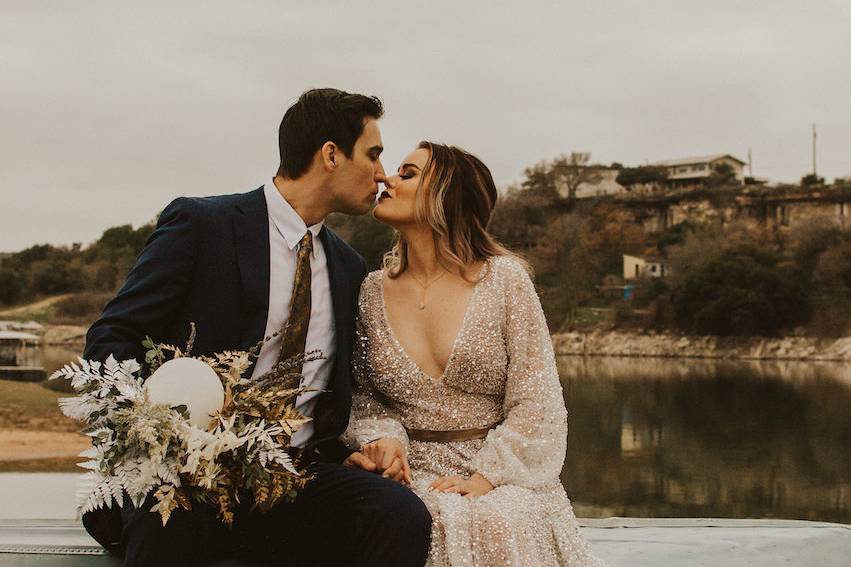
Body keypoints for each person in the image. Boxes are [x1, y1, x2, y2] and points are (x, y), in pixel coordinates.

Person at [83, 88, 431, 567]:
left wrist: (364, 446)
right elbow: (110, 340)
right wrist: (163, 427)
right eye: (373, 154)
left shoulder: (351, 269)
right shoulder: (202, 225)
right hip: (188, 476)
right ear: (331, 154)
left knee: (398, 512)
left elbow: (348, 391)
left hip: (298, 475)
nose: (380, 173)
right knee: (168, 519)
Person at [342, 141, 607, 566]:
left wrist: (486, 477)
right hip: (411, 471)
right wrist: (384, 440)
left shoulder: (505, 280)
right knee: (402, 515)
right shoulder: (371, 291)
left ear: (445, 195)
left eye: (408, 174)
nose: (386, 179)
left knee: (499, 519)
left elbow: (536, 400)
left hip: (502, 470)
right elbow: (362, 393)